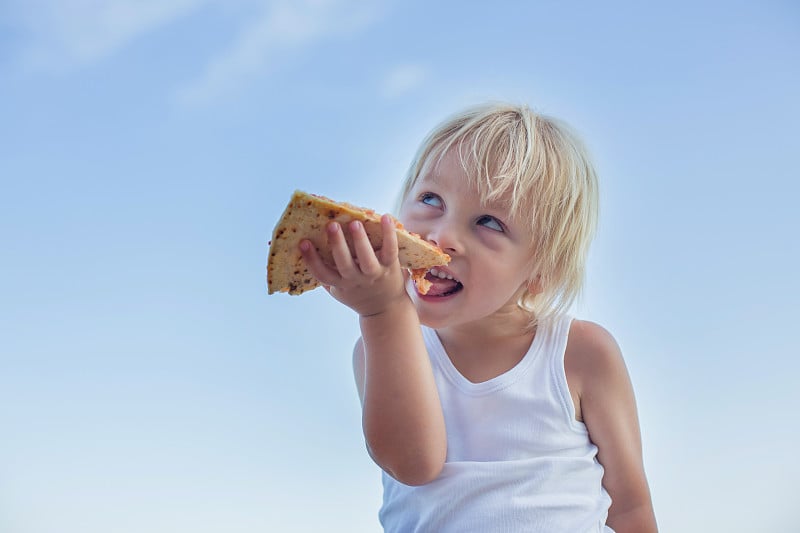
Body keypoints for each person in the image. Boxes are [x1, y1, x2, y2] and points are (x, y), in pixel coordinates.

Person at [299, 102, 657, 532]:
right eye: (431, 198)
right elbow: (412, 464)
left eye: (488, 222)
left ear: (541, 272)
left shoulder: (580, 353)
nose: (443, 235)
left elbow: (630, 507)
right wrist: (382, 314)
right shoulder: (377, 347)